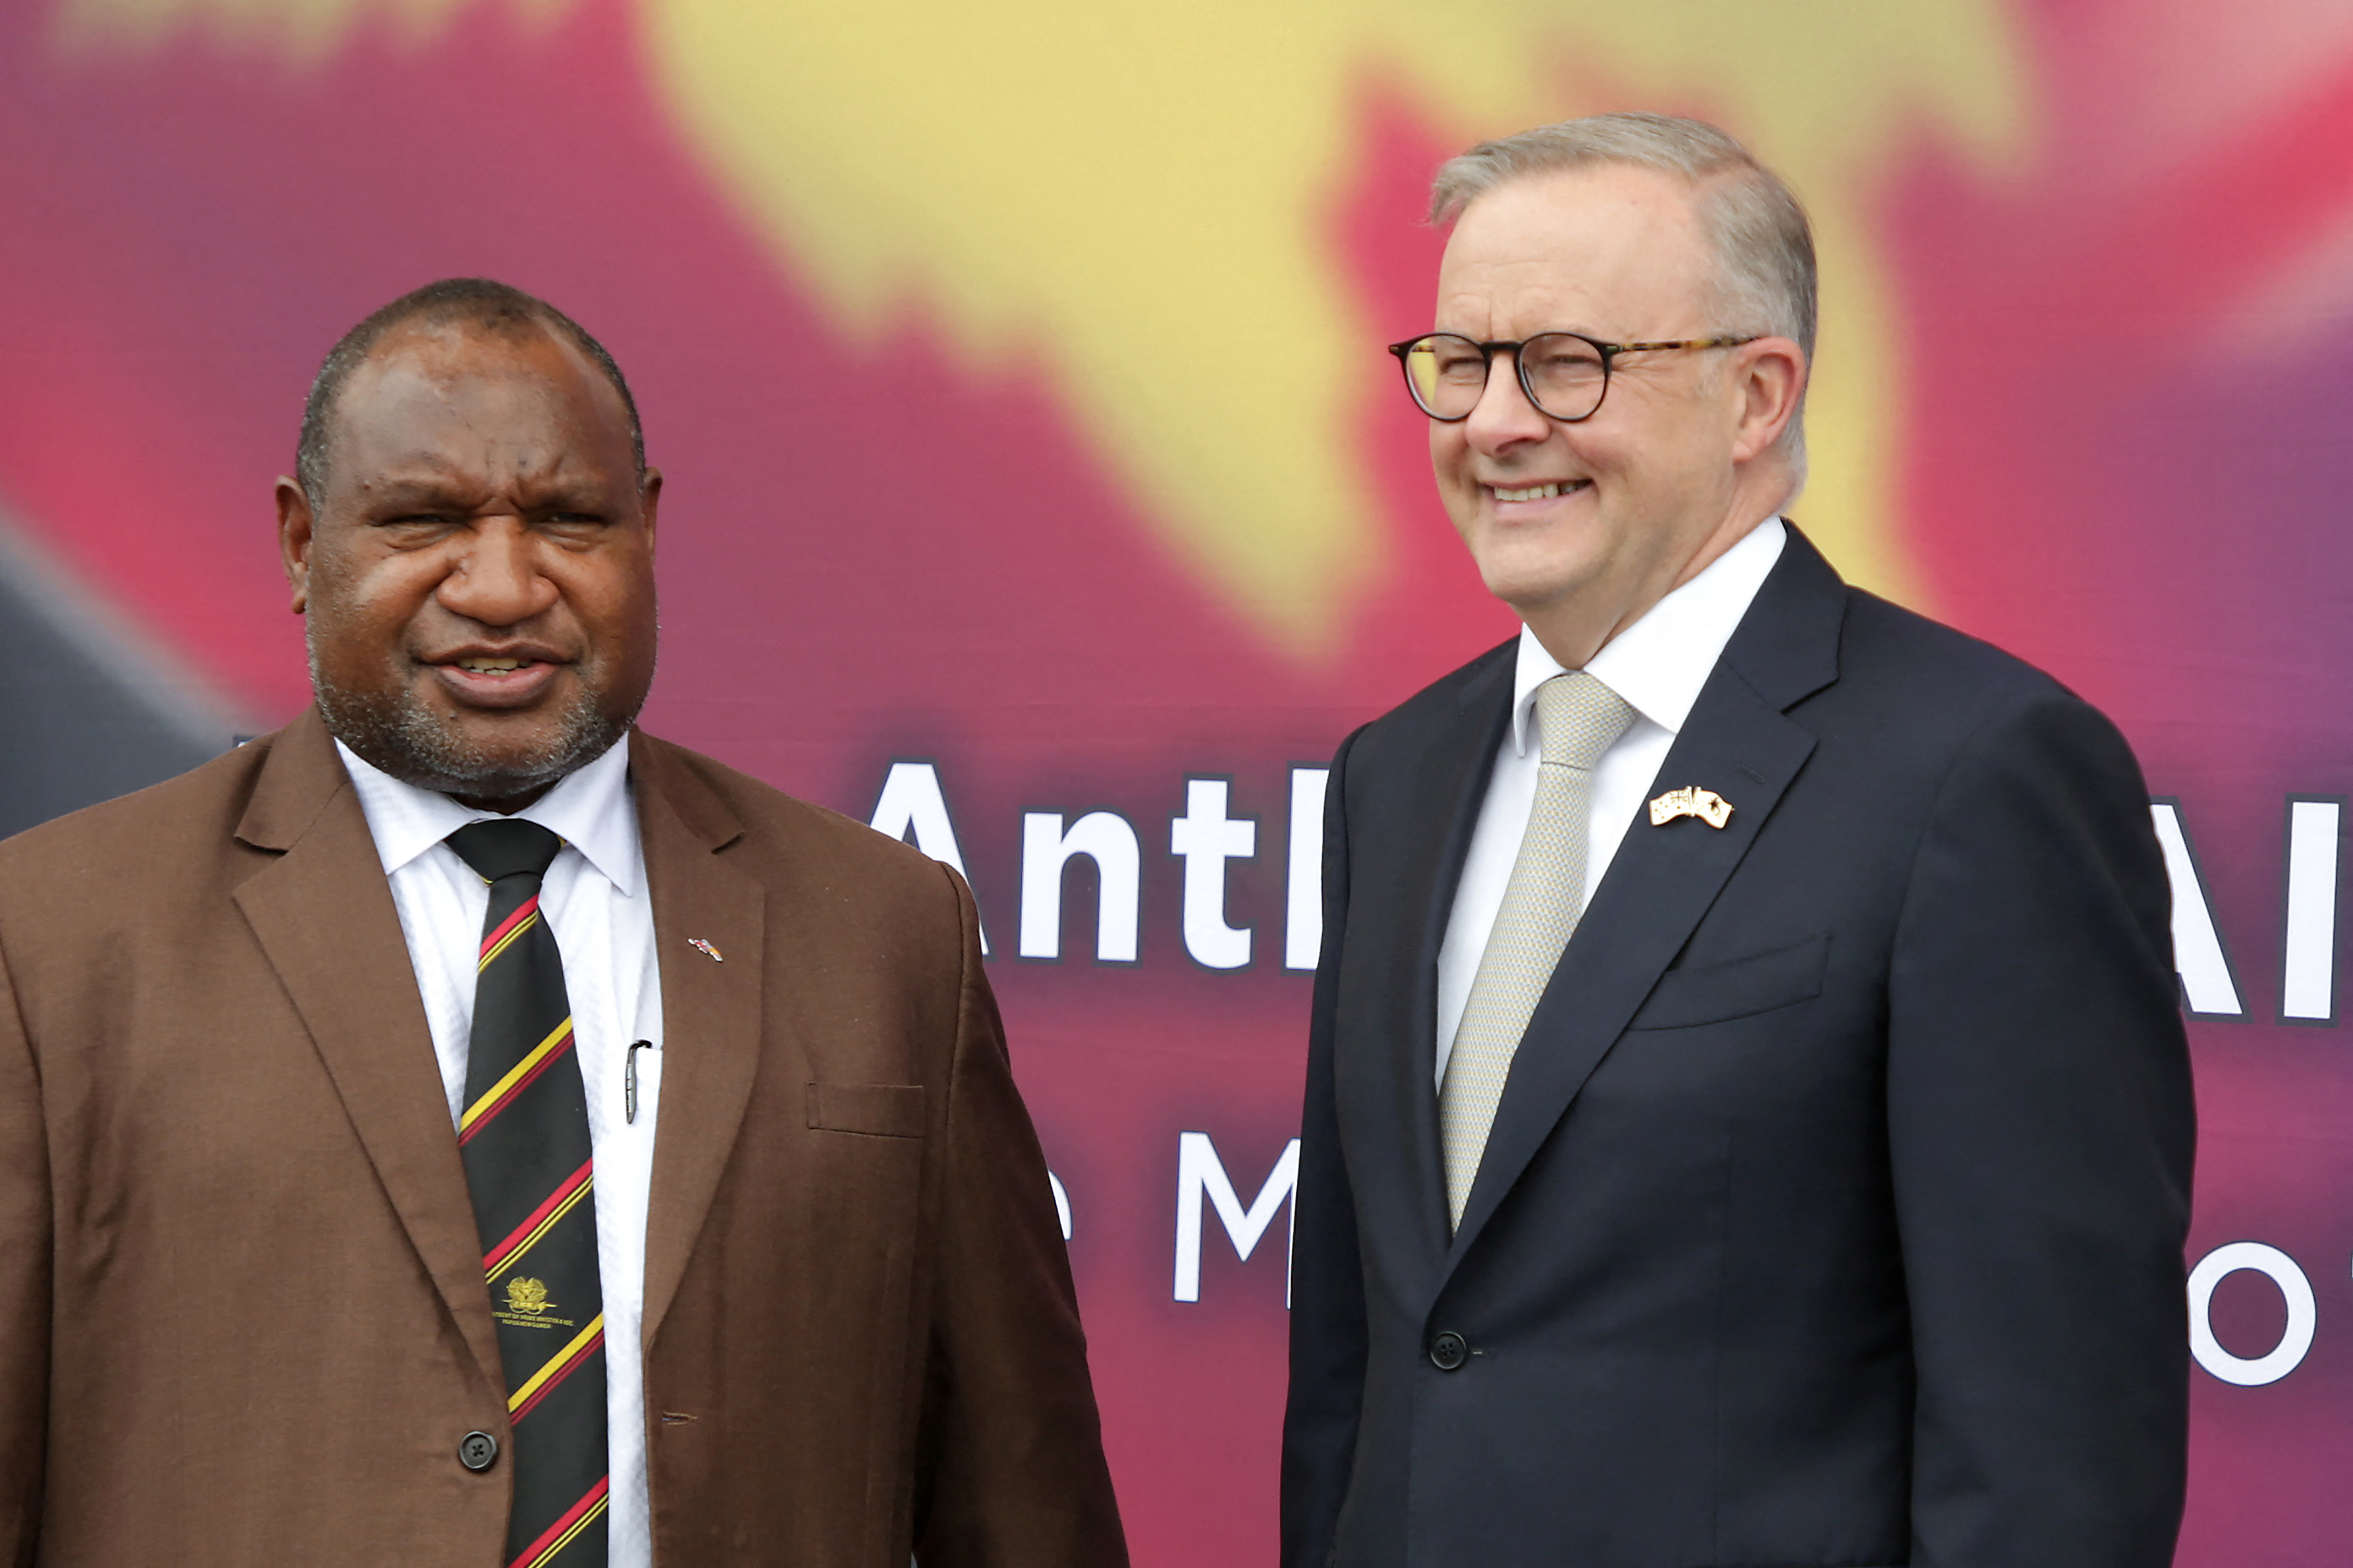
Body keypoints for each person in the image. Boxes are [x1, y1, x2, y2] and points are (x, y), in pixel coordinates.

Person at [0, 278, 1127, 1567]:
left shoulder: (887, 935)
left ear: (647, 532)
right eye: (423, 521)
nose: (498, 587)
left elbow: (1026, 1505)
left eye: (564, 520)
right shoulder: (54, 943)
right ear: (303, 545)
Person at [1282, 114, 2194, 1568]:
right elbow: (1361, 1361)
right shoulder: (1394, 776)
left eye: (1568, 363)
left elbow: (2053, 1463)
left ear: (1758, 394)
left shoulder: (1979, 774)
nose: (1497, 424)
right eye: (1460, 365)